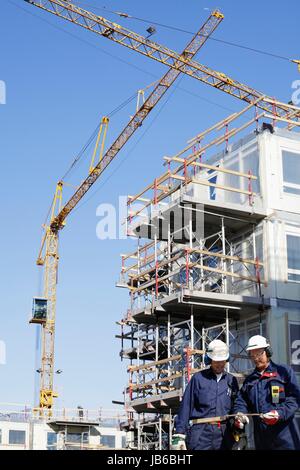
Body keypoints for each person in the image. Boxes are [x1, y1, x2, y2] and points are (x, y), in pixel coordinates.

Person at [233, 334, 300, 450]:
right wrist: (240, 414)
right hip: (262, 441)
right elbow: (241, 401)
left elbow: (295, 399)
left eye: (259, 354)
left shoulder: (284, 372)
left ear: (268, 352)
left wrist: (279, 414)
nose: (256, 358)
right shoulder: (250, 381)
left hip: (285, 438)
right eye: (252, 355)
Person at [171, 339, 239, 450]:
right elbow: (186, 406)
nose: (220, 364)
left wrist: (239, 426)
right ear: (209, 360)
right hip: (200, 434)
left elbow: (236, 406)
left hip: (224, 434)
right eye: (216, 361)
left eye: (222, 361)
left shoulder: (231, 381)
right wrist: (179, 433)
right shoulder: (198, 378)